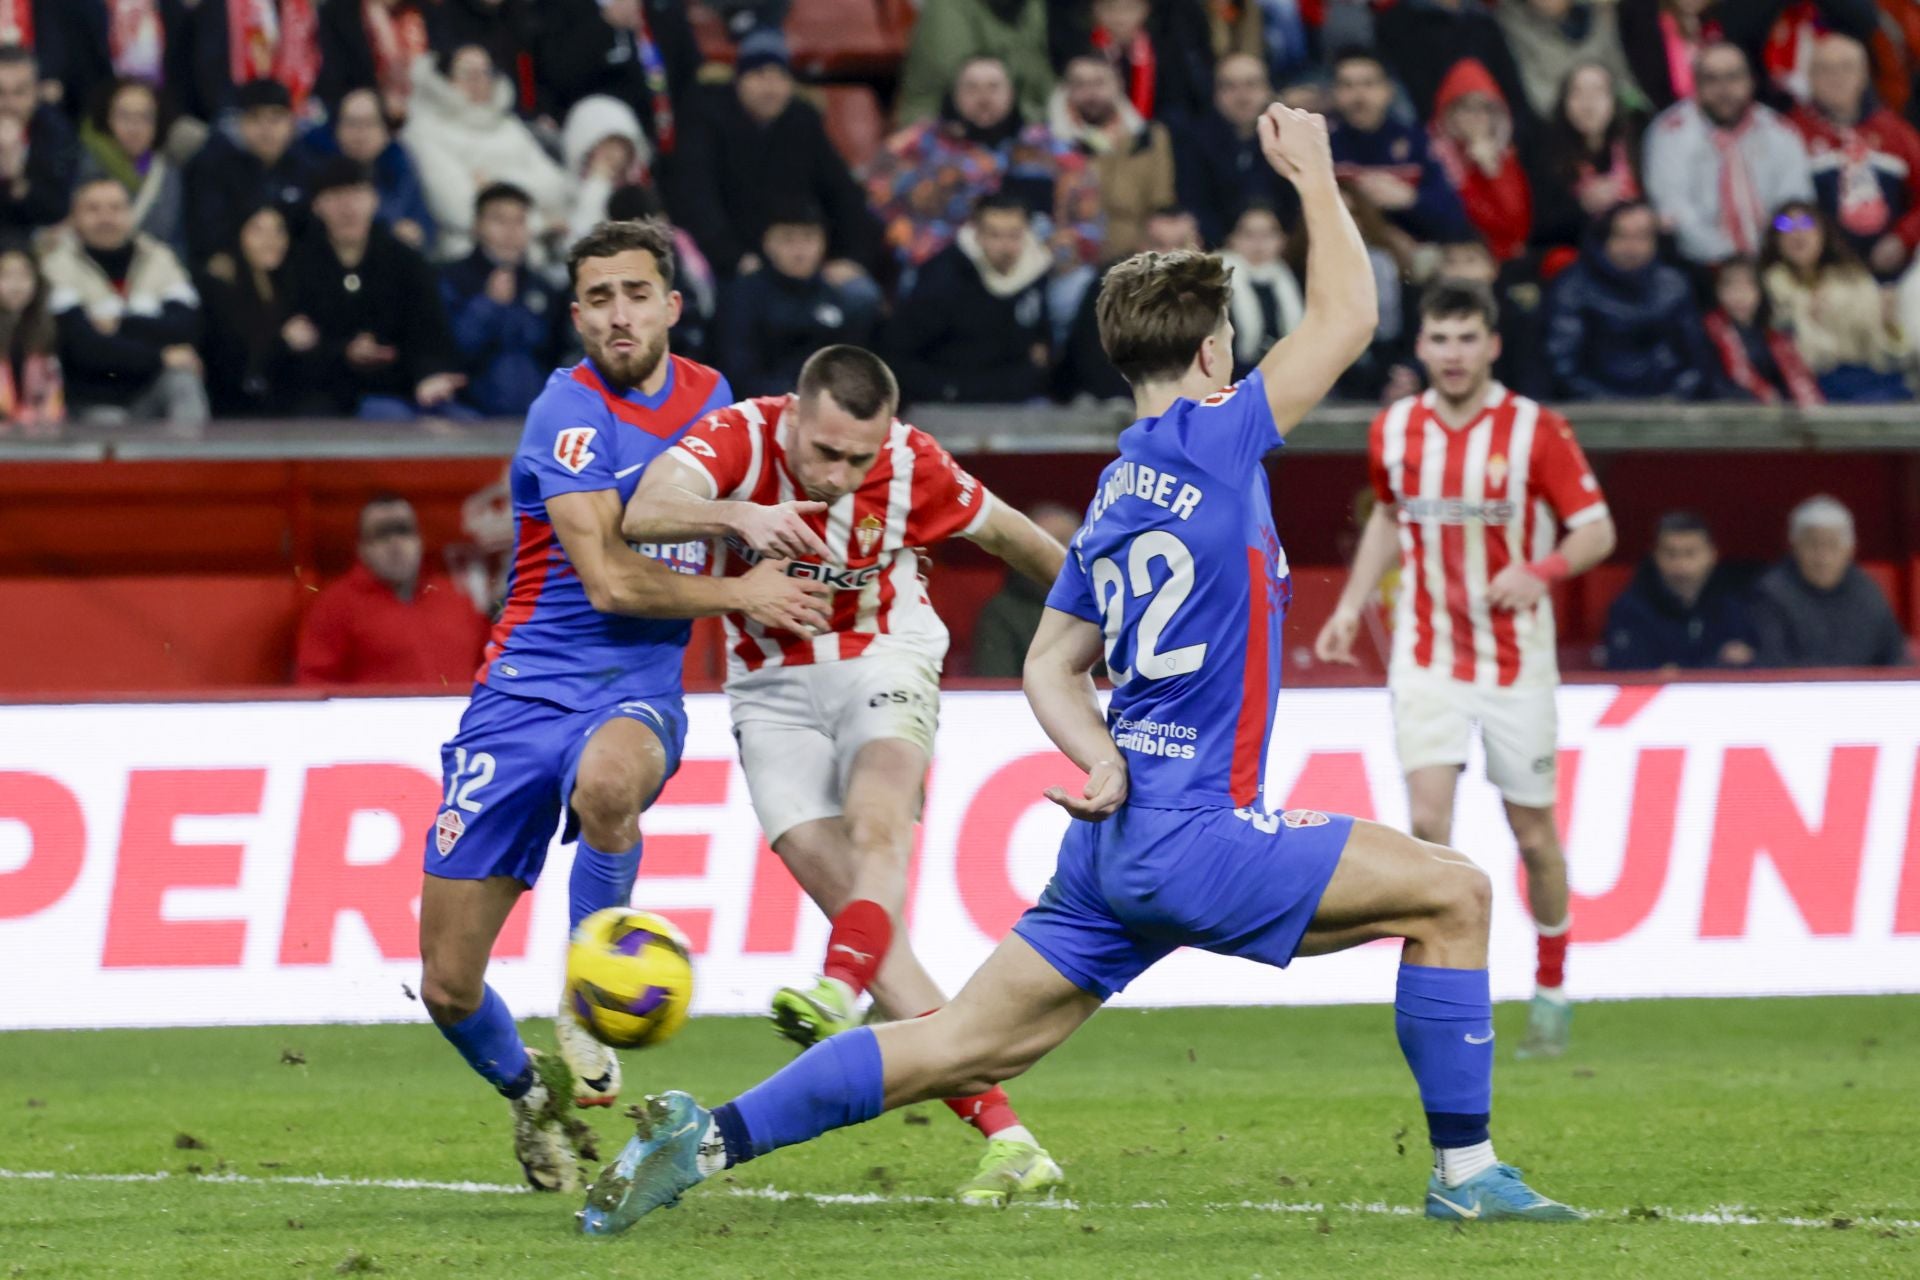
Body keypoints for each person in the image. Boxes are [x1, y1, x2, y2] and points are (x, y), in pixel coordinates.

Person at [579, 103, 1583, 1235]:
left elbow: (1051, 667)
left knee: (957, 1040)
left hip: (1115, 844)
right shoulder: (1220, 432)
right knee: (1457, 891)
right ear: (1214, 354)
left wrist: (1101, 754)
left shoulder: (1114, 490)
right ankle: (1467, 1170)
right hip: (1200, 832)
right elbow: (1349, 314)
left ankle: (704, 1134)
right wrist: (1313, 175)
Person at [417, 217, 832, 1195]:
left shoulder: (714, 400)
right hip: (523, 689)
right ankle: (533, 1097)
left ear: (671, 306)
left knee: (612, 782)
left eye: (636, 293)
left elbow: (749, 527)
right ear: (576, 314)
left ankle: (583, 986)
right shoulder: (564, 412)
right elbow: (606, 579)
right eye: (599, 297)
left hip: (635, 686)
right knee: (446, 982)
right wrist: (741, 582)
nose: (619, 313)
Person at [619, 343, 1073, 1202]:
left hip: (884, 655)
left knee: (879, 820)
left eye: (858, 456)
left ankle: (838, 984)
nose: (838, 473)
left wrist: (1103, 627)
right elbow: (643, 511)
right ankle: (1013, 1142)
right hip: (770, 690)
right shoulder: (738, 438)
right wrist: (738, 520)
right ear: (793, 412)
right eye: (825, 451)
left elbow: (1018, 538)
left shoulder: (913, 464)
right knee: (879, 938)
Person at [1316, 279, 1618, 1061]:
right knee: (1426, 830)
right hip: (1427, 654)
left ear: (1491, 344)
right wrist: (1352, 604)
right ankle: (1451, 1002)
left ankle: (1551, 990)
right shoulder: (1395, 429)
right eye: (1439, 339)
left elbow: (1596, 529)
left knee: (1534, 835)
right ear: (1421, 347)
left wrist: (1539, 569)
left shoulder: (1535, 431)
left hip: (1516, 662)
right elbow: (1389, 515)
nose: (1452, 354)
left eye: (1466, 338)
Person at [671, 30, 879, 284]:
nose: (770, 88)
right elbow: (697, 199)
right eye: (759, 76)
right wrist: (734, 258)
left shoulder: (803, 121)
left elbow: (844, 193)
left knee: (860, 297)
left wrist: (852, 258)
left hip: (802, 261)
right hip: (732, 264)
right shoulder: (706, 121)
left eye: (780, 77)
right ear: (739, 80)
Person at [281, 159, 467, 419]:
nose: (348, 207)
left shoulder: (405, 260)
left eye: (357, 193)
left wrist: (429, 376)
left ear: (374, 200)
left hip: (403, 387)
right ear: (317, 206)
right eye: (336, 196)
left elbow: (429, 332)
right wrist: (342, 352)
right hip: (330, 395)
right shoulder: (298, 264)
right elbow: (294, 349)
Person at [863, 55, 1060, 272]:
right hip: (938, 264)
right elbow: (876, 204)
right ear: (954, 95)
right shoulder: (918, 143)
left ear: (1011, 93)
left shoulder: (1041, 144)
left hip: (1027, 263)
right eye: (971, 88)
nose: (983, 98)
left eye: (994, 87)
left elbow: (1076, 214)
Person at [42, 175, 207, 426]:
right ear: (75, 217)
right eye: (93, 209)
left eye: (116, 208)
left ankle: (191, 462)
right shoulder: (56, 267)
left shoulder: (160, 258)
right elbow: (86, 349)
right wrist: (160, 356)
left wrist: (121, 324)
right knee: (110, 422)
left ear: (131, 213)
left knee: (183, 380)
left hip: (151, 390)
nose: (106, 217)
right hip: (92, 401)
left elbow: (187, 327)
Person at [1643, 42, 1813, 266]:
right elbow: (1675, 211)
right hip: (1700, 263)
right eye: (1711, 79)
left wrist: (1771, 247)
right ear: (1696, 84)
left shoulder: (1780, 132)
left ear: (1751, 81)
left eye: (1733, 77)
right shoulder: (1670, 132)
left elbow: (1796, 205)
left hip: (1775, 258)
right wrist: (1731, 260)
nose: (1724, 89)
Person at [295, 495, 491, 685]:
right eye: (381, 533)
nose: (395, 544)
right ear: (362, 548)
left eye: (403, 530)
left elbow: (493, 667)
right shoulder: (335, 607)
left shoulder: (457, 598)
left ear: (420, 540)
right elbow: (314, 683)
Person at [403, 44, 570, 264]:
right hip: (467, 255)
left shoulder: (508, 125)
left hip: (538, 249)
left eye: (486, 72)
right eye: (469, 74)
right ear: (444, 78)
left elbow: (557, 187)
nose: (480, 81)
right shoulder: (424, 131)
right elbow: (459, 208)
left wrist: (492, 183)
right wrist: (538, 223)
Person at [1542, 199, 1718, 399]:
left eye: (1642, 237)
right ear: (1604, 239)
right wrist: (1609, 407)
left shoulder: (1674, 285)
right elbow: (1562, 364)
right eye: (1622, 236)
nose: (1632, 246)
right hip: (1593, 409)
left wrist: (1669, 400)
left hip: (1666, 406)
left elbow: (1697, 359)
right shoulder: (1572, 287)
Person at [891, 193, 1052, 404]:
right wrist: (947, 390)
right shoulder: (942, 278)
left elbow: (1040, 336)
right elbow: (900, 349)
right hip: (949, 399)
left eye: (1014, 235)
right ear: (977, 234)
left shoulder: (1034, 271)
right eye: (994, 235)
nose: (1005, 246)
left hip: (1016, 397)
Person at [1788, 33, 1920, 281]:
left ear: (1863, 75)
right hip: (1816, 275)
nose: (1836, 77)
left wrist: (1904, 238)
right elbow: (1778, 216)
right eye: (1824, 69)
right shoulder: (1790, 133)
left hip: (1893, 272)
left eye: (1846, 67)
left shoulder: (1896, 133)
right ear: (1810, 78)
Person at [716, 201, 878, 399]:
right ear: (767, 243)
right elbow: (738, 371)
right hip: (763, 409)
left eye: (809, 238)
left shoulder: (837, 297)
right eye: (788, 239)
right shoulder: (743, 296)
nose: (800, 251)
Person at [1760, 200, 1914, 403]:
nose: (1796, 233)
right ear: (1775, 239)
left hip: (1867, 377)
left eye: (1806, 223)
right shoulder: (1767, 288)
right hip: (1807, 387)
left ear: (1823, 232)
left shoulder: (1854, 277)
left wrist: (1888, 324)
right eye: (1784, 225)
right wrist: (1807, 316)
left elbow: (1886, 354)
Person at [441, 182, 569, 418]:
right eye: (500, 221)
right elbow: (450, 352)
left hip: (535, 421)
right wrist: (488, 305)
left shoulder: (543, 287)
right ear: (477, 226)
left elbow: (557, 355)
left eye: (519, 221)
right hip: (469, 419)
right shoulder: (449, 279)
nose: (511, 231)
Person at [1327, 49, 1473, 246]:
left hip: (1418, 253)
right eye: (1347, 85)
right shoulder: (1323, 145)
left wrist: (1410, 199)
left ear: (1389, 90)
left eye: (1369, 84)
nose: (1358, 96)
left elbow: (1453, 219)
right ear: (1334, 93)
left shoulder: (1417, 142)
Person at [1751, 495, 1911, 668]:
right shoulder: (1770, 594)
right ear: (1794, 546)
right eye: (1813, 546)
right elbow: (1772, 664)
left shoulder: (1868, 593)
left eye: (1832, 545)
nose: (1823, 558)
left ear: (1850, 549)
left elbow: (1895, 657)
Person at [1047, 55, 1176, 266]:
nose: (1091, 93)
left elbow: (1162, 204)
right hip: (1068, 263)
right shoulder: (1046, 140)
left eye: (1099, 82)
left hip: (1134, 259)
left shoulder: (1150, 138)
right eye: (1080, 84)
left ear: (1119, 84)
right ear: (1066, 89)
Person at [183, 79, 317, 274]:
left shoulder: (306, 168)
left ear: (291, 123)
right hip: (235, 272)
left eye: (276, 118)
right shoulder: (213, 167)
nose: (266, 129)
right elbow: (207, 234)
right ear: (241, 124)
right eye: (255, 118)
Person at [1603, 511, 1756, 670]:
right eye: (1671, 554)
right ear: (1655, 556)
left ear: (1712, 555)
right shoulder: (1629, 609)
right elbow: (1626, 667)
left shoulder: (1733, 603)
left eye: (1690, 554)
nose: (1680, 565)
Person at [1175, 52, 1297, 247]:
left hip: (1284, 251)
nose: (1242, 96)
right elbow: (1193, 205)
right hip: (1217, 252)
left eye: (1251, 85)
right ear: (1215, 94)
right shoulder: (1194, 142)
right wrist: (1229, 242)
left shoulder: (1288, 139)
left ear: (1268, 90)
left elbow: (1296, 205)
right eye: (1230, 86)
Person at [1527, 60, 1643, 253]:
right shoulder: (1545, 153)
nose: (1588, 103)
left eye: (1598, 92)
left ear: (1614, 100)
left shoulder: (1635, 144)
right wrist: (1582, 206)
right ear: (1564, 102)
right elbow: (1539, 231)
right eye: (1577, 93)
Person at [1373, 0, 1539, 135]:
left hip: (1497, 137)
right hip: (1434, 141)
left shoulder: (1482, 19)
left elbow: (1513, 91)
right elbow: (1405, 99)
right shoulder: (1397, 23)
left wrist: (1507, 136)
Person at [195, 203, 300, 417]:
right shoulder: (220, 284)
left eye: (278, 230)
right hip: (232, 413)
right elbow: (232, 362)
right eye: (258, 231)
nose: (270, 241)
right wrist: (283, 340)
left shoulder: (287, 284)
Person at [1430, 59, 1536, 262]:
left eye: (1485, 109)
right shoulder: (1434, 154)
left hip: (1504, 258)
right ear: (1448, 112)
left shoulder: (1504, 157)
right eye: (1466, 108)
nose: (1476, 118)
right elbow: (1455, 219)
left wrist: (1492, 173)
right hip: (1457, 255)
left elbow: (1518, 226)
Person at [311, 86, 435, 254]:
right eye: (352, 123)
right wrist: (388, 231)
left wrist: (418, 233)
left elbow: (423, 221)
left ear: (386, 131)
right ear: (336, 130)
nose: (360, 134)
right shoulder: (318, 164)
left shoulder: (401, 163)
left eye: (370, 123)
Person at [968, 501, 1083, 677]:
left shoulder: (1108, 603)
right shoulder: (1002, 611)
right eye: (1042, 543)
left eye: (1062, 540)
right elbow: (995, 685)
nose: (1052, 551)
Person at [896, 0, 1054, 126]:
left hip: (1026, 127)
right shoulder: (947, 9)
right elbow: (961, 90)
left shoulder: (1034, 6)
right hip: (947, 133)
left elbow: (1043, 84)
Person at [76, 78, 183, 253]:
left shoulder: (168, 172)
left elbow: (177, 239)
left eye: (144, 117)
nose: (134, 127)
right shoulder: (86, 166)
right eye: (124, 116)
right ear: (107, 118)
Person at [1495, 0, 1646, 123]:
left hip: (1617, 124)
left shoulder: (1602, 14)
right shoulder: (1512, 22)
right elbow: (1541, 99)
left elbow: (1626, 81)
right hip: (1558, 133)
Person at [1702, 255, 1821, 404]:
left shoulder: (1775, 333)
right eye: (1729, 286)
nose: (1739, 295)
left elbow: (1796, 382)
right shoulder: (1710, 331)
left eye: (1747, 286)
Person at [1219, 201, 1303, 377]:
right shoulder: (1215, 282)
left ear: (1283, 240)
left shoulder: (1291, 278)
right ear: (1232, 238)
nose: (1259, 243)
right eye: (1249, 234)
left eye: (1268, 234)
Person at [0, 45, 78, 234]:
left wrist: (16, 180)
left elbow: (56, 210)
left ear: (36, 93)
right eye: (0, 92)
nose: (9, 104)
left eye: (19, 92)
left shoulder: (56, 131)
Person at [563, 96, 652, 249]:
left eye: (622, 147)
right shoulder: (563, 192)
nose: (617, 156)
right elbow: (579, 243)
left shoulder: (638, 197)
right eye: (608, 147)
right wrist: (597, 184)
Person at [0, 242, 62, 431]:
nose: (16, 285)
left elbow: (53, 395)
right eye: (6, 275)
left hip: (36, 433)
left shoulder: (48, 328)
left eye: (24, 276)